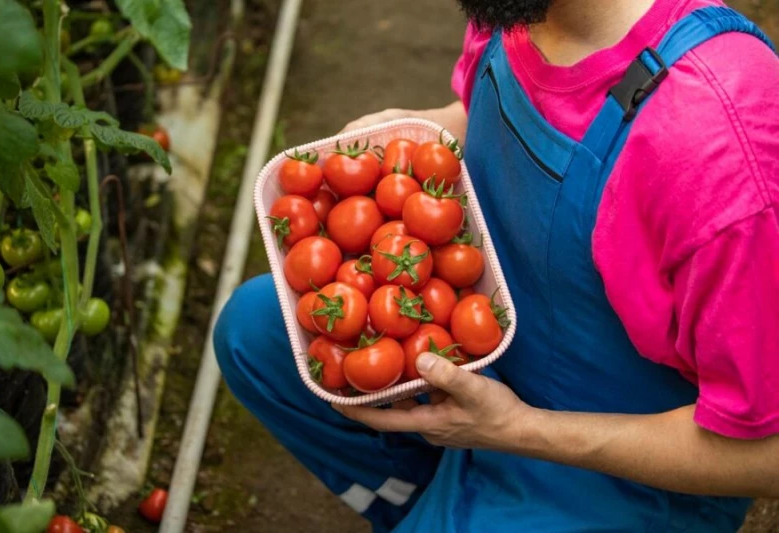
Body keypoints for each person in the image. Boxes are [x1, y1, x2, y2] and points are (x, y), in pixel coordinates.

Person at [214, 0, 779, 531]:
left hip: (622, 475)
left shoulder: (718, 153)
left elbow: (766, 455)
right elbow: (486, 111)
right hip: (479, 348)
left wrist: (519, 431)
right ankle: (429, 501)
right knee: (253, 333)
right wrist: (427, 127)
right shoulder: (517, 8)